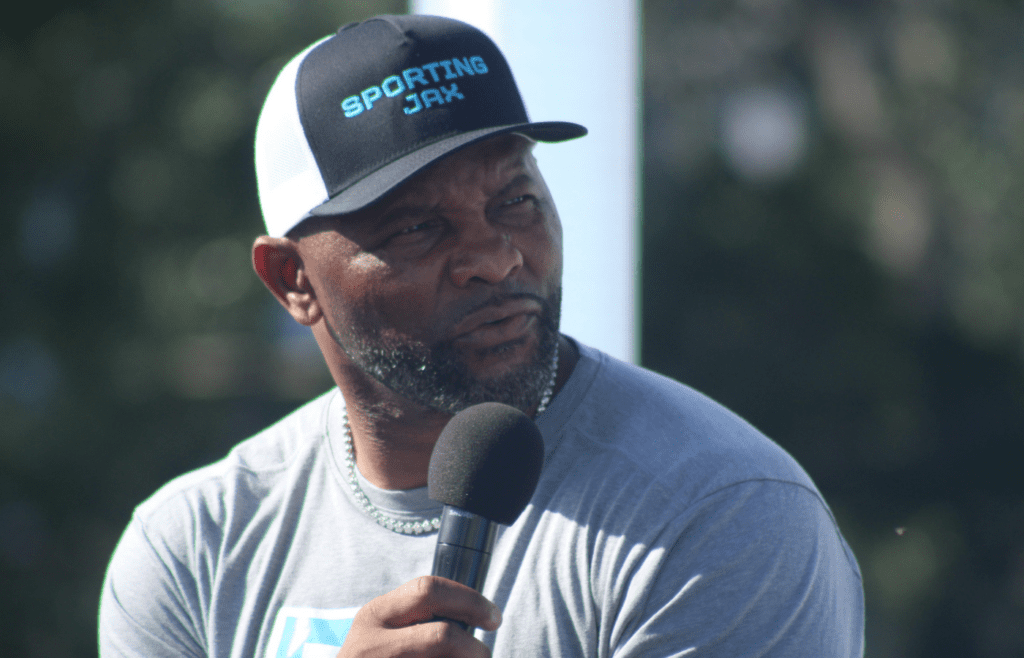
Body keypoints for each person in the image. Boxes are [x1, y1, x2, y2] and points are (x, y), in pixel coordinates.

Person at [99, 14, 865, 658]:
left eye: (516, 199)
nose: (496, 259)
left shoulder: (716, 515)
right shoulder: (193, 551)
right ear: (292, 280)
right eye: (418, 227)